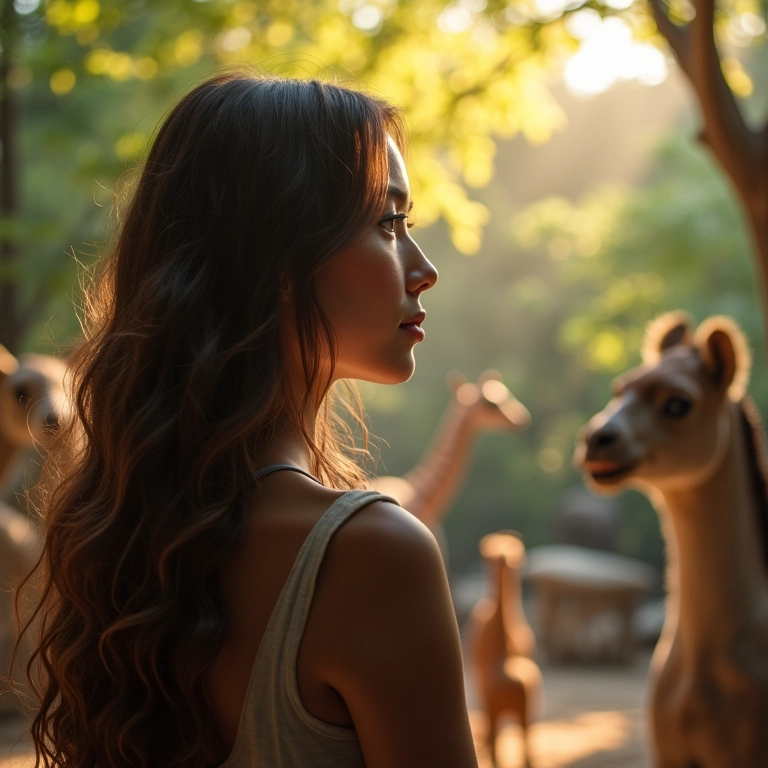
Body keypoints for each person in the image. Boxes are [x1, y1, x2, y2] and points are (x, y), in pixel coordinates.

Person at [24, 73, 479, 768]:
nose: (424, 269)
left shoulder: (115, 540)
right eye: (389, 224)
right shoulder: (373, 555)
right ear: (278, 257)